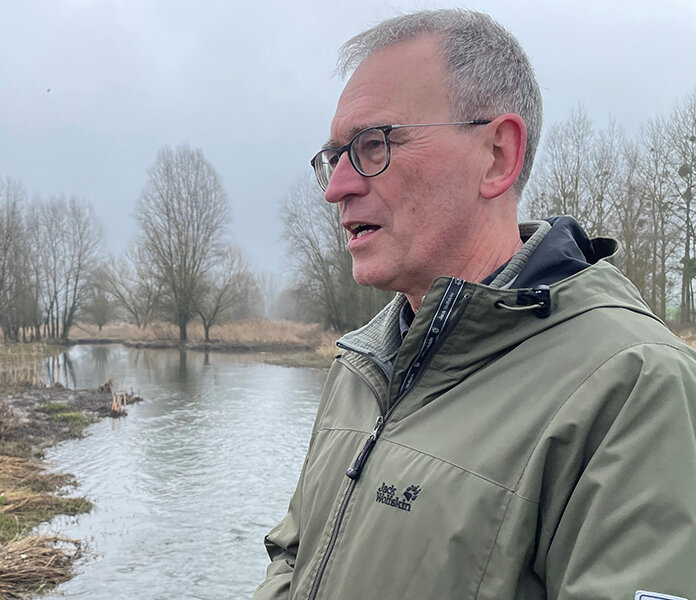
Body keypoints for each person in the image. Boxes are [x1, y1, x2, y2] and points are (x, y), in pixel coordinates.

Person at [257, 10, 696, 600]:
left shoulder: (635, 386)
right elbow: (293, 554)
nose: (338, 186)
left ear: (496, 155)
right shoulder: (358, 365)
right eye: (333, 157)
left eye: (371, 145)